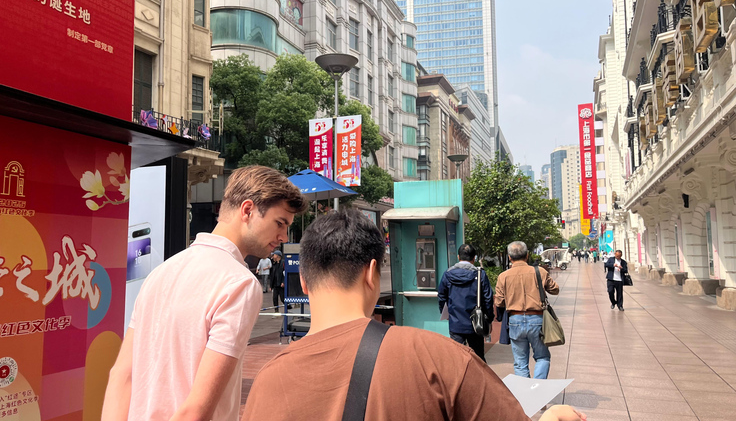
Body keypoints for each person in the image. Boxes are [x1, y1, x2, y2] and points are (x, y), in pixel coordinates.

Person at [242, 210, 586, 421]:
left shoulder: (268, 379)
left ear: (303, 279)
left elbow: (442, 294)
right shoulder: (439, 359)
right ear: (372, 274)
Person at [102, 166, 307, 421]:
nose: (283, 236)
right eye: (280, 223)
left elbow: (122, 375)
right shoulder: (239, 283)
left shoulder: (162, 271)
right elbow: (196, 410)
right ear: (247, 210)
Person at [495, 241, 560, 379]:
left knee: (520, 362)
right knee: (542, 357)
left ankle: (525, 396)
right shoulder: (540, 272)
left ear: (510, 257)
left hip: (515, 320)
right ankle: (538, 390)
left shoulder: (503, 276)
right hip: (537, 320)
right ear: (527, 255)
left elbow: (499, 302)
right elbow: (555, 289)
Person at [437, 243, 493, 361]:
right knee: (478, 359)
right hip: (476, 323)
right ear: (474, 258)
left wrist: (446, 313)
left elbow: (441, 296)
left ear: (458, 257)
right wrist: (489, 318)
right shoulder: (480, 274)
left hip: (456, 322)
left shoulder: (448, 274)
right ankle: (478, 379)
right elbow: (488, 298)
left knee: (457, 358)